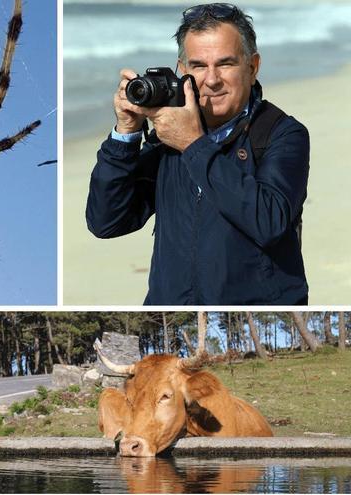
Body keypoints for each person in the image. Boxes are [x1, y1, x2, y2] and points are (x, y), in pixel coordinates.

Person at [86, 3, 309, 305]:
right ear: (183, 70)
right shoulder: (168, 137)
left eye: (226, 64)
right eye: (200, 66)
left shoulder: (282, 133)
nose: (212, 79)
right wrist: (125, 135)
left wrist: (193, 144)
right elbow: (105, 222)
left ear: (252, 67)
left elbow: (268, 221)